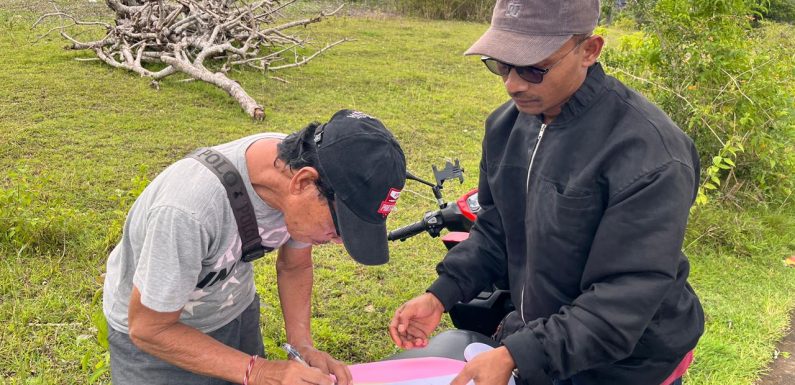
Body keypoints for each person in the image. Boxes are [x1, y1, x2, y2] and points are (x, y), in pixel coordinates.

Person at [388, 1, 704, 384]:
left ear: (589, 50)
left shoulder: (650, 153)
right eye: (502, 65)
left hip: (626, 365)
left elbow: (625, 296)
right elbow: (495, 231)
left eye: (534, 68)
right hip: (538, 342)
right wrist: (442, 293)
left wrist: (520, 353)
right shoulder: (506, 128)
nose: (513, 84)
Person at [103, 109, 407, 385]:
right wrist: (259, 371)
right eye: (340, 227)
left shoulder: (303, 168)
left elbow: (295, 264)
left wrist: (302, 345)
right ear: (303, 183)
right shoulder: (186, 212)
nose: (339, 241)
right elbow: (148, 328)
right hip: (158, 341)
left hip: (234, 314)